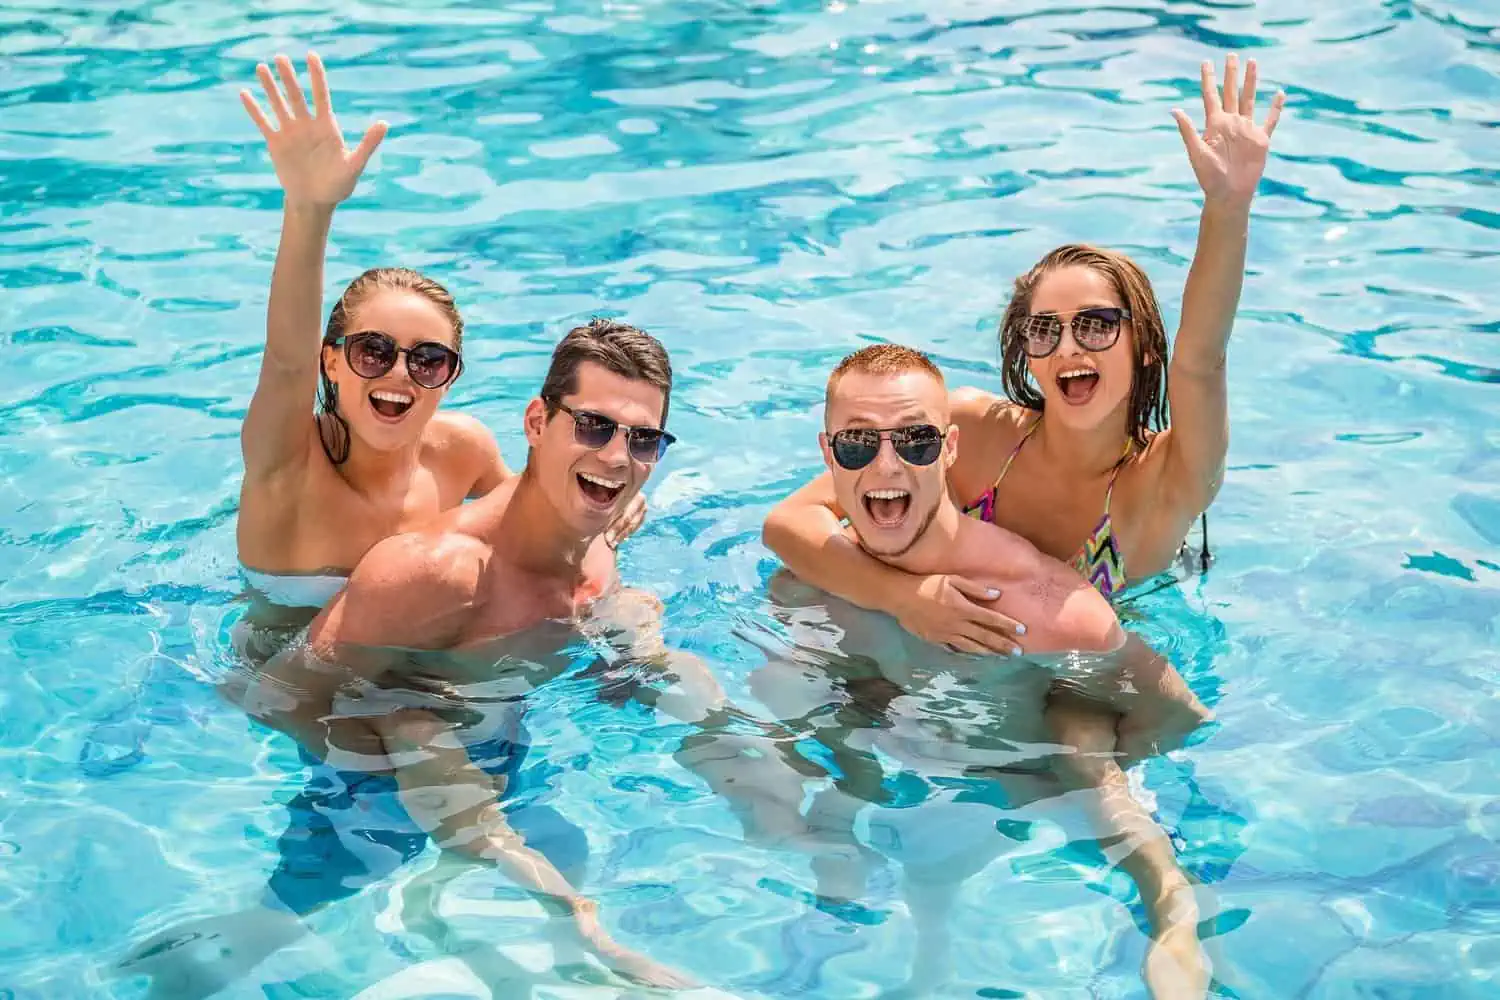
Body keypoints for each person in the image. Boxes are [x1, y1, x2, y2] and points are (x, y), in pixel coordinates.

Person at [218, 319, 807, 992]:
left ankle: (779, 810)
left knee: (662, 666)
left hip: (505, 764)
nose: (617, 456)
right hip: (364, 806)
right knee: (270, 945)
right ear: (537, 421)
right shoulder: (436, 574)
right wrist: (406, 757)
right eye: (593, 426)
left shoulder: (596, 551)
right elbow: (269, 696)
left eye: (643, 439)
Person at [761, 54, 1286, 654]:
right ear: (1027, 354)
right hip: (943, 643)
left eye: (1095, 325)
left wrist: (1228, 205)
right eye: (1044, 330)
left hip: (1089, 666)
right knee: (802, 595)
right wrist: (904, 601)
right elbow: (790, 523)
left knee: (1080, 734)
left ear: (1144, 348)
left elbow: (1201, 360)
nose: (1068, 347)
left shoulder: (1168, 479)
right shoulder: (970, 429)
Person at [750, 344, 1214, 998]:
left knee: (1093, 768)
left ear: (949, 450)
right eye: (858, 444)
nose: (885, 464)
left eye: (914, 441)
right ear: (828, 455)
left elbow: (1179, 714)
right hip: (919, 764)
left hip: (1029, 777)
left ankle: (1174, 914)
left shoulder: (1049, 611)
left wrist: (1073, 746)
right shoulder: (814, 576)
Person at [233, 50, 642, 638]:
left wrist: (607, 491)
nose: (400, 373)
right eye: (373, 351)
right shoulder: (288, 463)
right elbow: (284, 360)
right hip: (298, 684)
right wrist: (309, 207)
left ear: (449, 377)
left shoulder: (462, 452)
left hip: (432, 660)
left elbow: (544, 515)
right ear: (331, 360)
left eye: (428, 359)